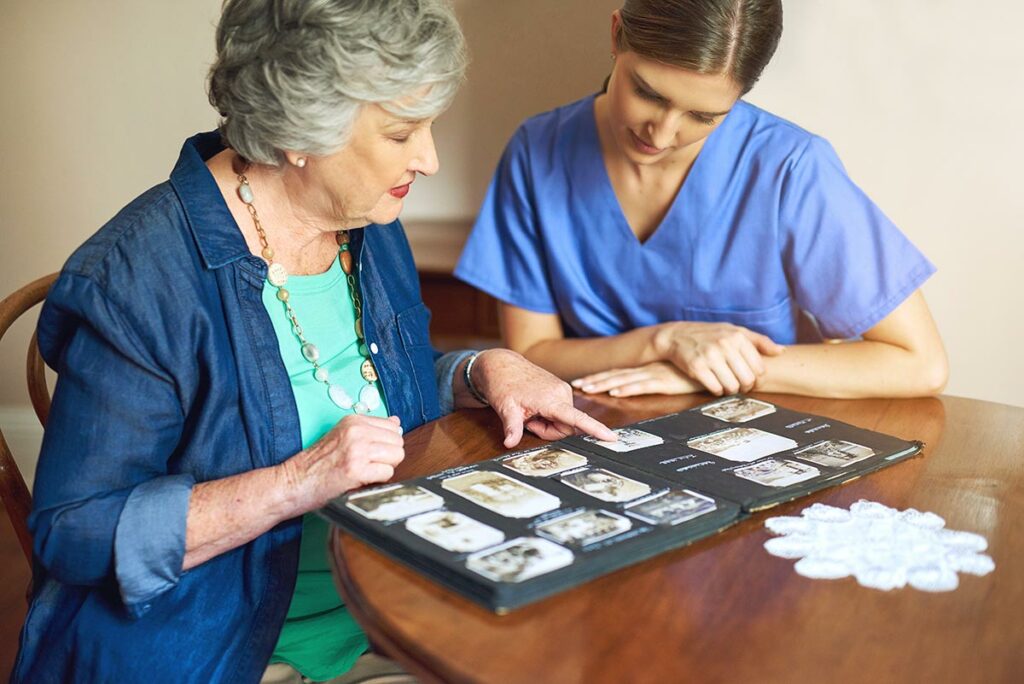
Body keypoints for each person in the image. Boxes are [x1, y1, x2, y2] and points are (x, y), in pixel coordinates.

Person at [11, 2, 616, 682]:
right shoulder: (137, 279)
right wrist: (298, 482)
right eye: (400, 133)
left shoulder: (366, 219)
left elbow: (364, 385)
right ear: (300, 128)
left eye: (429, 126)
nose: (429, 158)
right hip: (226, 647)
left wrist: (483, 369)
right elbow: (75, 531)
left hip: (390, 603)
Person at [455, 0, 949, 399]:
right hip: (593, 432)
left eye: (704, 116)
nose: (663, 133)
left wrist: (713, 372)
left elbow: (919, 364)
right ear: (615, 36)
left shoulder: (789, 168)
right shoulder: (537, 152)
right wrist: (664, 343)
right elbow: (532, 351)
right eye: (648, 93)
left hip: (754, 444)